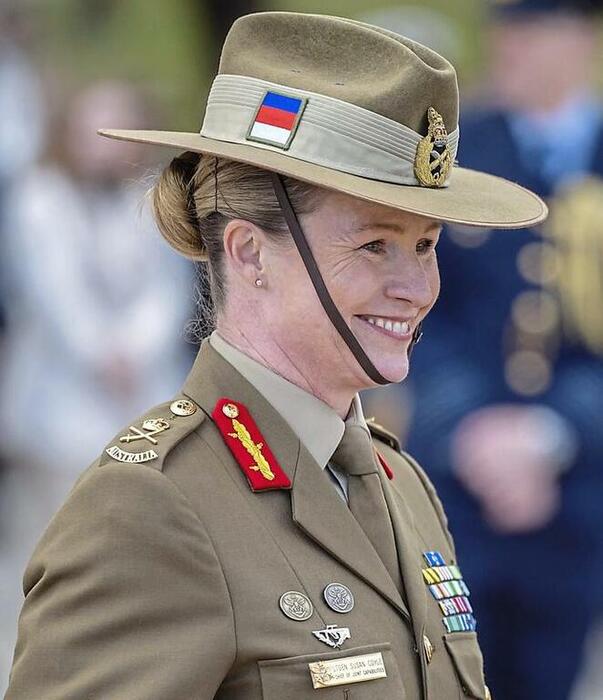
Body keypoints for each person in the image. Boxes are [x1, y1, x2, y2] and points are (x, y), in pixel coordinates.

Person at [4, 12, 546, 700]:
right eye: (374, 245)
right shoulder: (151, 508)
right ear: (250, 253)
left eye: (425, 245)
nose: (416, 288)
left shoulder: (402, 483)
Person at [404, 1, 603, 699]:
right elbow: (416, 306)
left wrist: (552, 433)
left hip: (580, 489)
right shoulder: (449, 158)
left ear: (579, 37)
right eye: (501, 30)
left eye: (529, 30)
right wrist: (472, 432)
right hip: (457, 479)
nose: (506, 47)